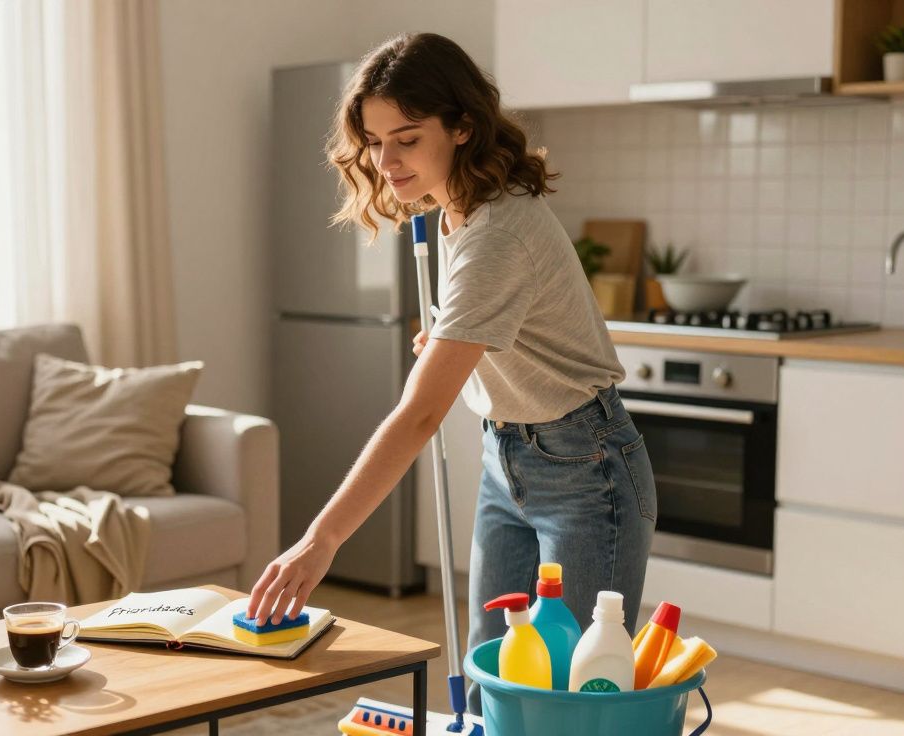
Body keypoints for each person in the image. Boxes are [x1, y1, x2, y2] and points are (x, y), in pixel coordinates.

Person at [246, 32, 656, 712]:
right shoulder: (454, 211)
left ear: (463, 126)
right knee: (495, 676)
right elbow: (505, 341)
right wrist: (452, 344)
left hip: (587, 471)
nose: (385, 161)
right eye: (376, 141)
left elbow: (420, 415)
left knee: (577, 697)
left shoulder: (499, 232)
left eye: (406, 138)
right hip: (509, 457)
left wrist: (321, 541)